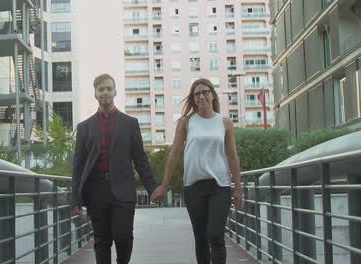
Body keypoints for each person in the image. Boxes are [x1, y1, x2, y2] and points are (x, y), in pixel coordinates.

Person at [151, 78, 243, 264]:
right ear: (193, 99)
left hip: (220, 186)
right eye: (197, 94)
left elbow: (232, 156)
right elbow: (174, 154)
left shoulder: (225, 123)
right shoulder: (186, 122)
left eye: (205, 92)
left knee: (216, 235)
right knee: (201, 238)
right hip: (194, 187)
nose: (201, 96)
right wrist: (164, 185)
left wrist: (238, 187)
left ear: (212, 95)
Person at [71, 73, 158, 264]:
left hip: (123, 189)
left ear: (115, 91)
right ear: (95, 93)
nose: (105, 93)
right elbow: (78, 165)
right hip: (96, 190)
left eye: (109, 88)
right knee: (102, 240)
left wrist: (152, 188)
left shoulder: (130, 124)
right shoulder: (84, 127)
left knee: (123, 235)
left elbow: (140, 160)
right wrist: (75, 197)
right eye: (101, 89)